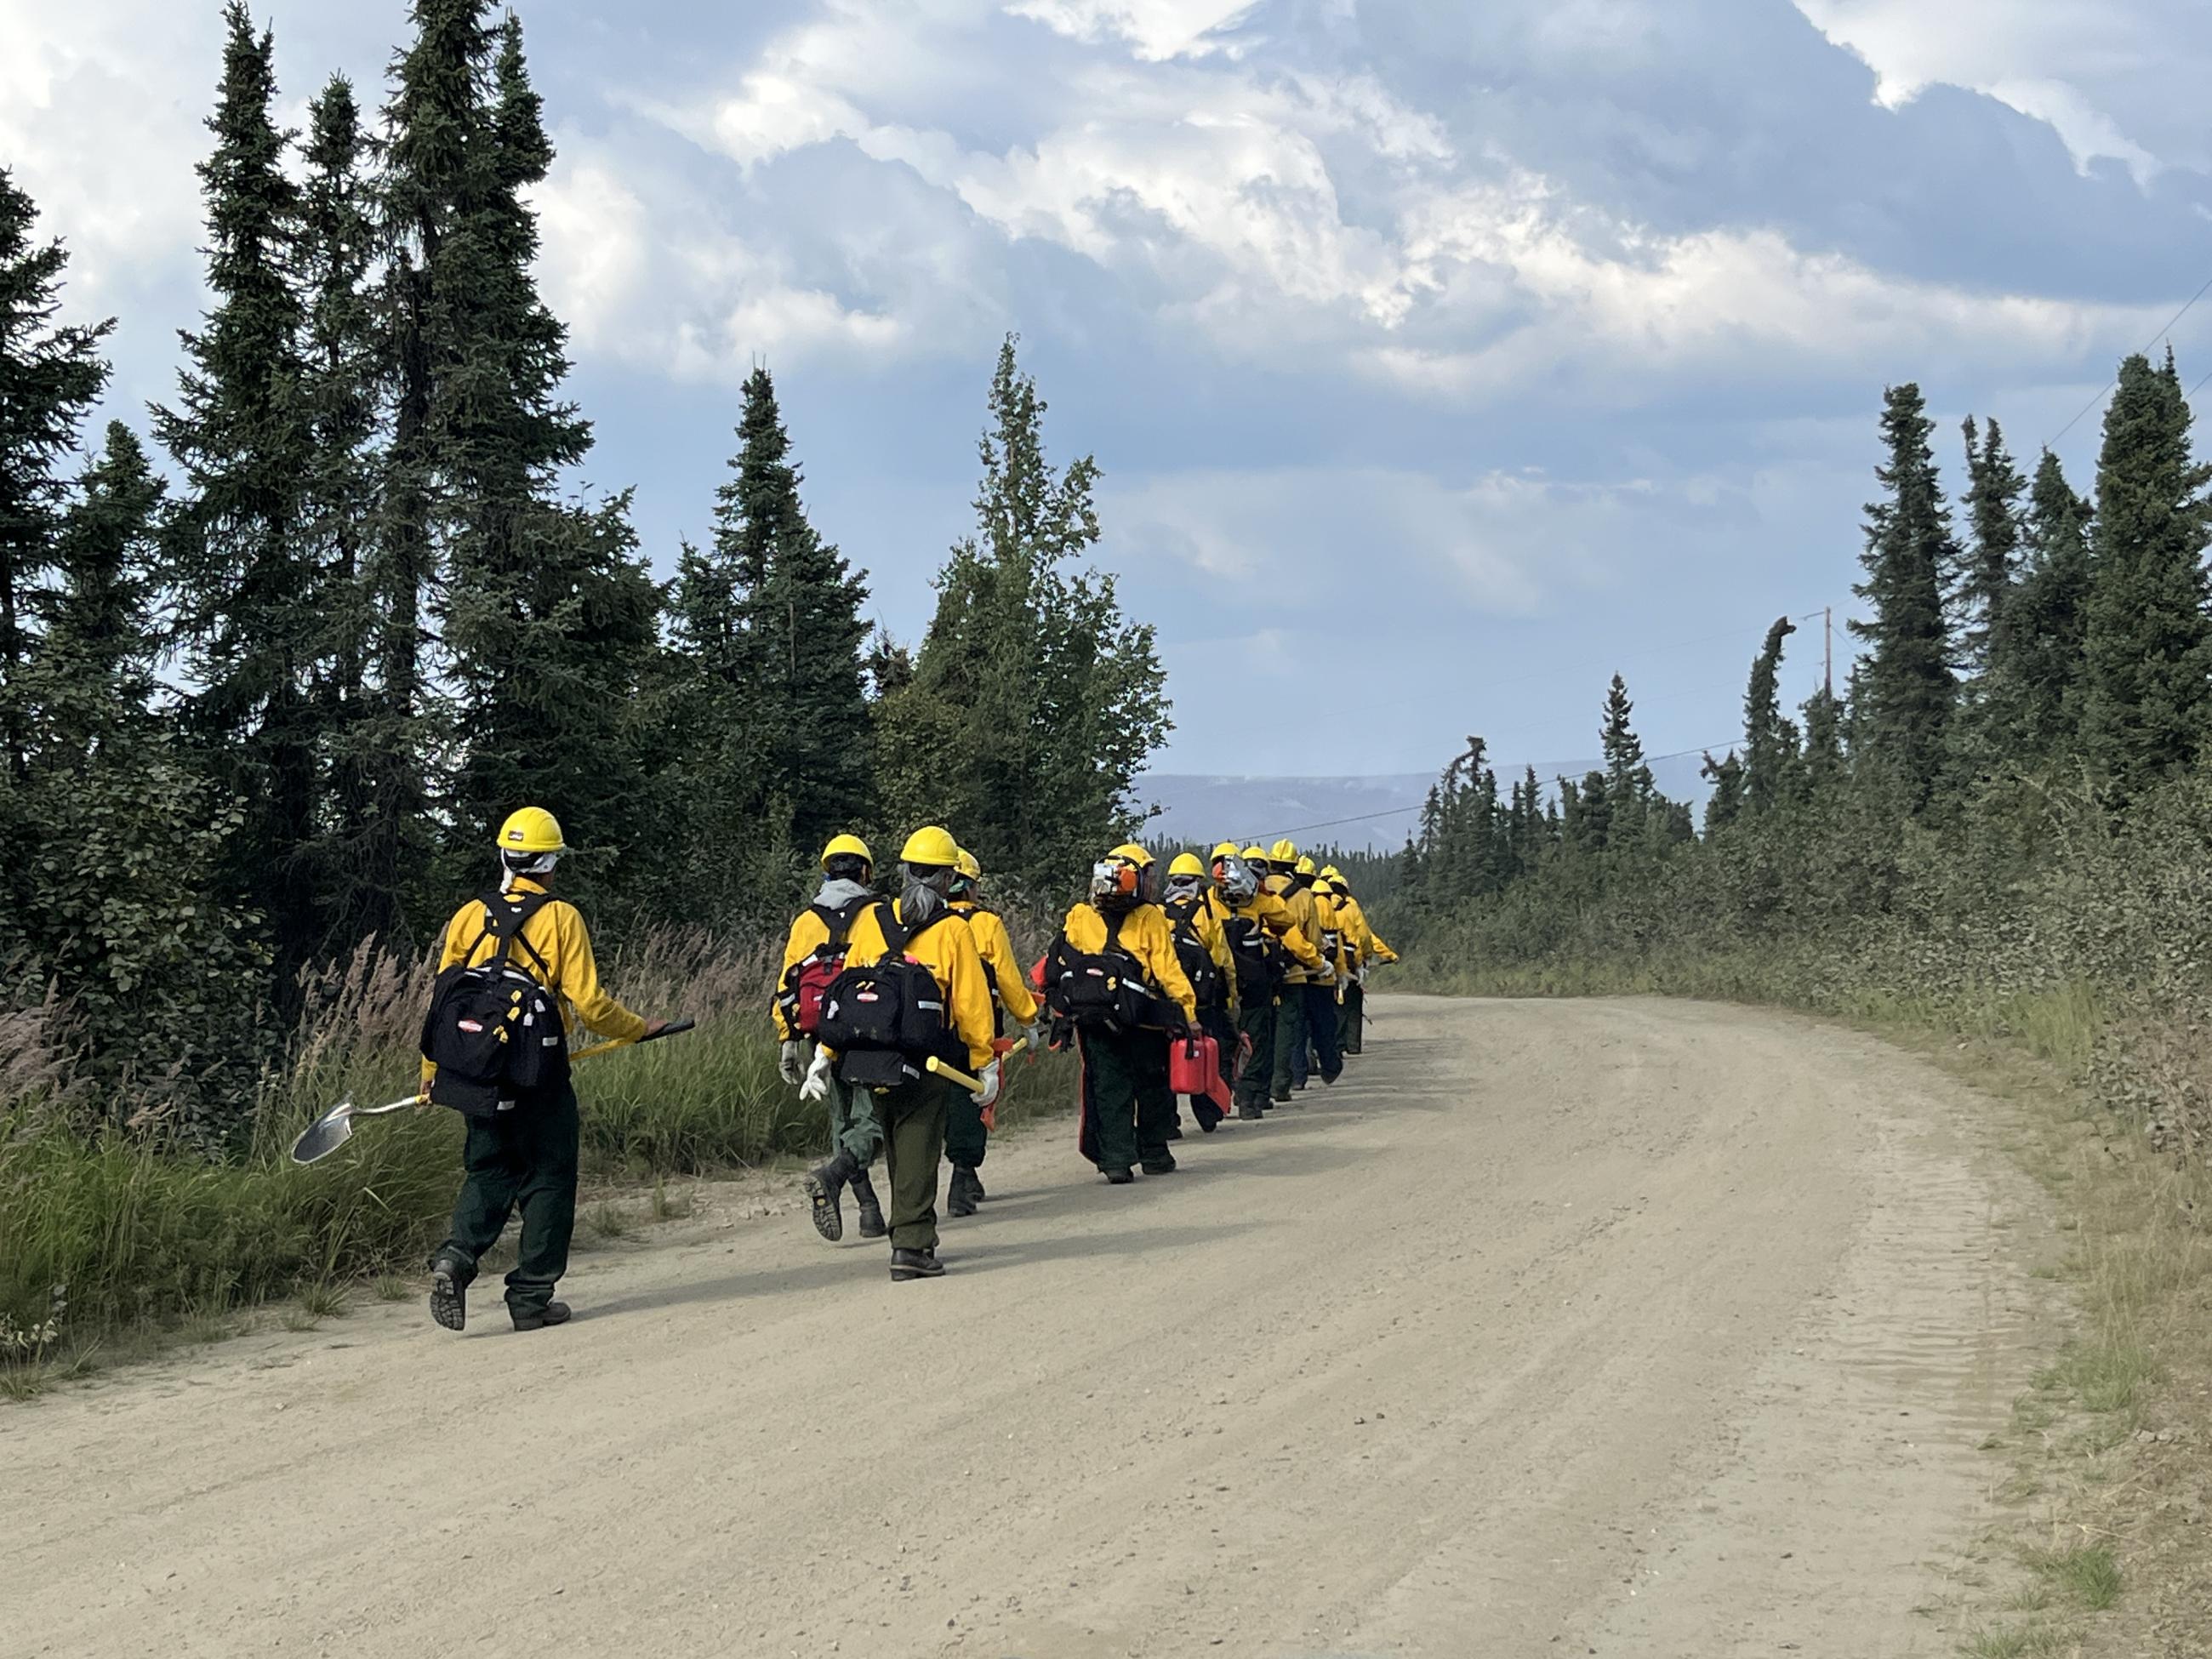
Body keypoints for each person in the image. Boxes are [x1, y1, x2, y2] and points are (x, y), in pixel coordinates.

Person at [426, 807, 670, 1333]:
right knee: (550, 1176)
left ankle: (456, 1258)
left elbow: (445, 1001)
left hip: (476, 1069)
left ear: (505, 858)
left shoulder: (469, 915)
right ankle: (531, 1297)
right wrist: (636, 1029)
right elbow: (591, 1006)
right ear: (550, 862)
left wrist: (433, 1069)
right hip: (539, 1071)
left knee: (488, 1168)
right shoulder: (562, 918)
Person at [804, 826, 1000, 1280]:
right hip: (926, 1055)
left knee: (893, 1142)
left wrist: (827, 1049)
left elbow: (847, 988)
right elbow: (971, 1004)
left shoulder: (873, 919)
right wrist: (983, 1060)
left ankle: (905, 1230)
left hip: (868, 1052)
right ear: (949, 879)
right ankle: (912, 1244)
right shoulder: (953, 928)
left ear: (905, 870)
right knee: (917, 1145)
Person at [1042, 848, 1198, 1183]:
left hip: (1093, 1020)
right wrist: (1187, 1010)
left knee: (1109, 1088)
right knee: (1153, 1084)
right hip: (1144, 1018)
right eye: (1150, 874)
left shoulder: (1079, 915)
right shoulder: (1151, 917)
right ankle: (1154, 1154)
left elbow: (1059, 964)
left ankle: (1116, 1161)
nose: (1154, 881)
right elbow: (1167, 969)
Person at [777, 834, 887, 1245]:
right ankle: (834, 1175)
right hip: (869, 1031)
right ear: (865, 871)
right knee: (873, 1122)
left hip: (820, 1034)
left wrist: (787, 1038)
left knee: (843, 1123)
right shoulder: (879, 913)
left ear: (826, 872)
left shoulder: (806, 921)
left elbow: (788, 985)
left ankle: (870, 1211)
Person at [944, 847, 1043, 1217]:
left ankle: (962, 1180)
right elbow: (1008, 980)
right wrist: (1029, 1020)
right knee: (975, 1098)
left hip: (927, 1027)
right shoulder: (986, 924)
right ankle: (962, 1179)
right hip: (979, 1028)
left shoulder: (920, 920)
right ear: (970, 887)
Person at [1215, 853, 1322, 1120]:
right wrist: (1318, 960)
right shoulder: (1266, 900)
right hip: (1261, 981)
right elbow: (1288, 925)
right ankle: (1251, 1099)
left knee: (1224, 1040)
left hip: (1219, 986)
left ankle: (1224, 1097)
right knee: (1259, 1038)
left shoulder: (1206, 903)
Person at [1160, 852, 1236, 1132]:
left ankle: (1167, 1122)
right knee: (1207, 1054)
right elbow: (1222, 958)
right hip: (1204, 1000)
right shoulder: (1207, 910)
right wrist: (1231, 993)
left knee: (1164, 1059)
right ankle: (1208, 1113)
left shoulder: (1157, 911)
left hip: (1167, 999)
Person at [1264, 840, 1325, 1100]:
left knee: (1260, 1030)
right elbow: (1313, 940)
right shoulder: (1304, 896)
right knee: (1288, 1030)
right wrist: (1319, 963)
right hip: (1294, 973)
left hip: (1260, 971)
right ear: (1293, 865)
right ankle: (1281, 1084)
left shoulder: (1257, 890)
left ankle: (1256, 1086)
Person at [1293, 857, 1348, 1089]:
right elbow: (1330, 942)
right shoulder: (1320, 904)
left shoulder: (1281, 897)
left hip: (1293, 975)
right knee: (1324, 1026)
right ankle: (1329, 1067)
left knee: (1296, 1028)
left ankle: (1297, 1075)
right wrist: (1339, 970)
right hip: (1320, 976)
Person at [1322, 864, 1373, 1055]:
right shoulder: (1350, 907)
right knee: (1352, 1005)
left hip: (1322, 963)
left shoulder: (1314, 902)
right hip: (1350, 963)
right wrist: (1364, 957)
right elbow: (1364, 935)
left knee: (1329, 1005)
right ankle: (1352, 1045)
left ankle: (1333, 1045)